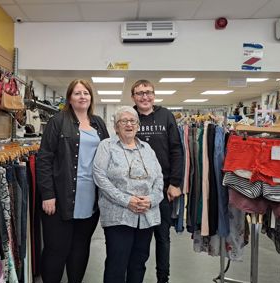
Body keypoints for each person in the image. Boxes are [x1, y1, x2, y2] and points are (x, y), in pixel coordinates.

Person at [36, 79, 109, 283]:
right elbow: (44, 158)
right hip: (60, 197)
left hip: (90, 198)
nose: (82, 96)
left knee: (80, 247)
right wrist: (48, 194)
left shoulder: (98, 124)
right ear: (69, 98)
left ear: (91, 97)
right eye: (77, 93)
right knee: (56, 249)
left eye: (86, 93)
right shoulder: (57, 121)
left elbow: (107, 156)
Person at [93, 106, 164, 283]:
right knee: (117, 265)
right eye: (123, 121)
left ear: (138, 126)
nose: (129, 124)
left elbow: (159, 178)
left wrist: (151, 200)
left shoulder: (147, 148)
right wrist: (127, 201)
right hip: (119, 216)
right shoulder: (106, 146)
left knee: (139, 263)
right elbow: (99, 177)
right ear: (116, 127)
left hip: (146, 215)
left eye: (133, 121)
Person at [131, 79, 183, 283]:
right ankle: (136, 278)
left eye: (148, 92)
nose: (145, 96)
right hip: (136, 190)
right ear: (133, 97)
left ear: (154, 94)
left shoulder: (166, 115)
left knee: (163, 238)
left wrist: (176, 183)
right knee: (139, 240)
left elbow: (176, 150)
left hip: (163, 189)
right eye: (140, 93)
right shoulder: (130, 116)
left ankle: (163, 278)